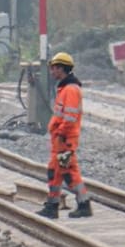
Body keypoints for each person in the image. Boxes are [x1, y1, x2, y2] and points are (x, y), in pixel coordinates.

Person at [38, 52, 93, 219]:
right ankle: (53, 206)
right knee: (55, 171)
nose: (52, 72)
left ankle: (82, 204)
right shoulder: (66, 88)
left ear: (61, 68)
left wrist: (60, 132)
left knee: (68, 172)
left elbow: (70, 117)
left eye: (54, 68)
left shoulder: (70, 90)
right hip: (61, 139)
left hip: (65, 139)